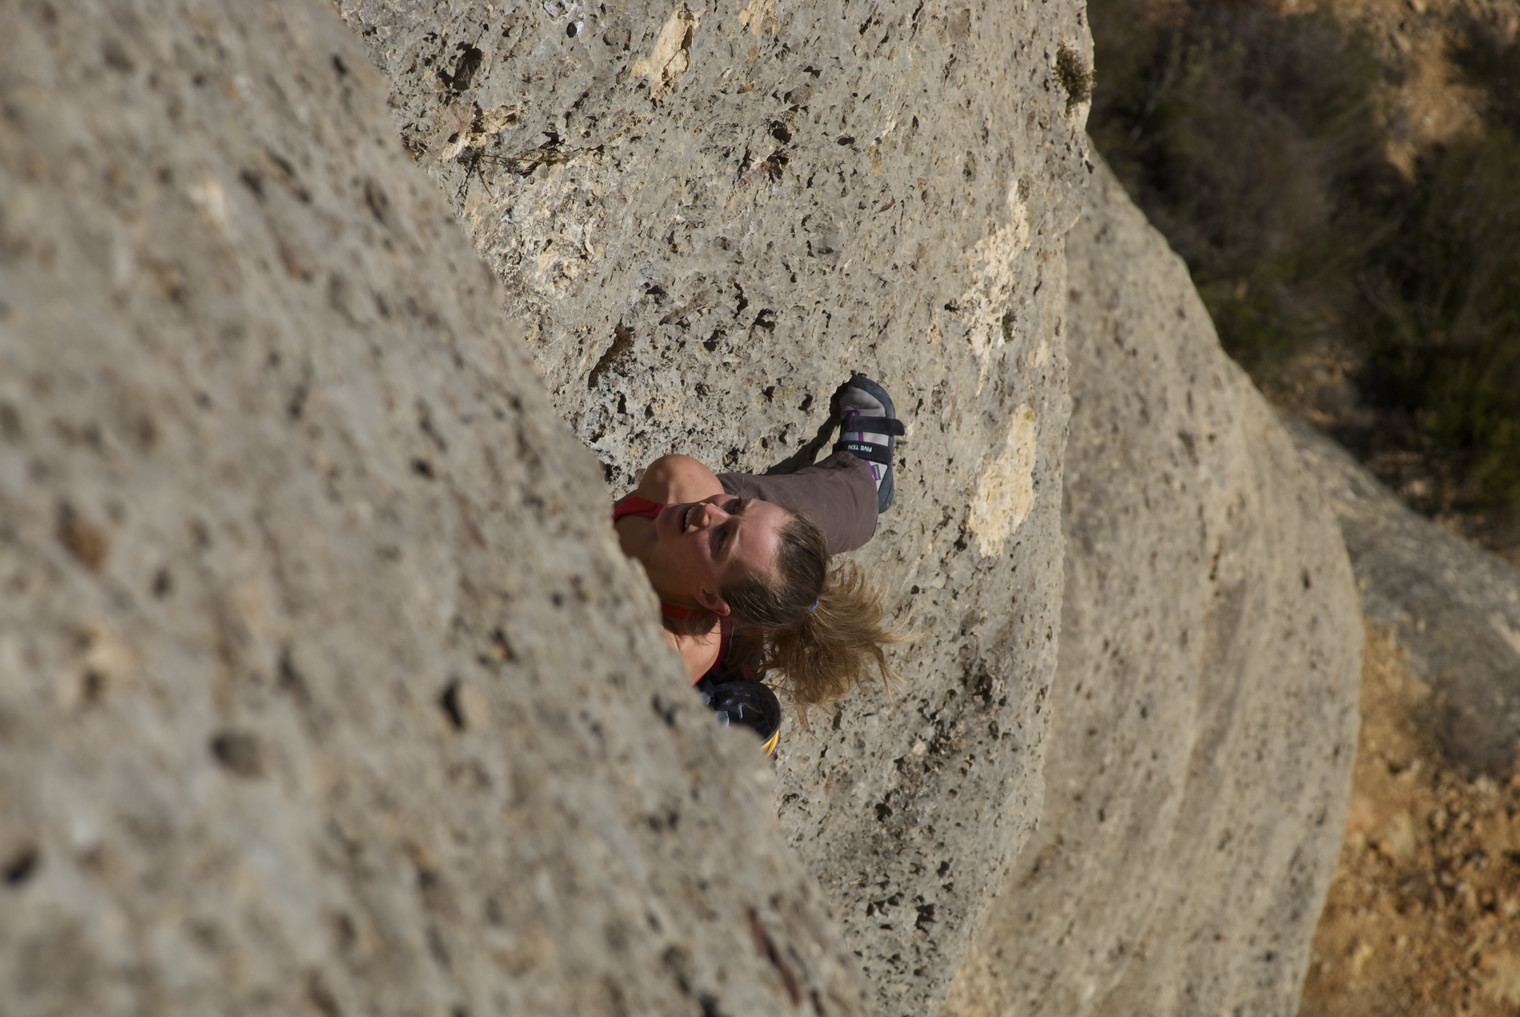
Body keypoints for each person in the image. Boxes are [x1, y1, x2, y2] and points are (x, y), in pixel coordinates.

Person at [612, 375, 906, 746]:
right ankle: (862, 488)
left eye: (721, 539)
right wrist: (729, 522)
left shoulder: (656, 648)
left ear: (711, 599)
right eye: (733, 509)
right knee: (779, 527)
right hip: (707, 570)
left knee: (754, 542)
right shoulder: (681, 486)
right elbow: (728, 520)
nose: (709, 512)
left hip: (698, 623)